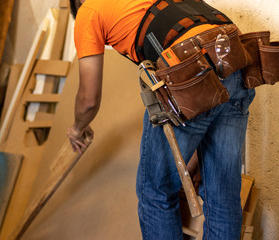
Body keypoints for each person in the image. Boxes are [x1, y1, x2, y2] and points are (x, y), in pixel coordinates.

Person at [66, 0, 255, 239]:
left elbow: (88, 99)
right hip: (237, 56)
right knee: (223, 194)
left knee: (156, 192)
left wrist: (77, 128)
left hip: (190, 65)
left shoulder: (89, 10)